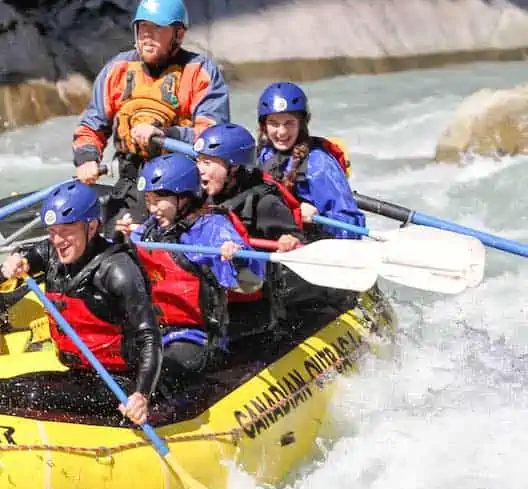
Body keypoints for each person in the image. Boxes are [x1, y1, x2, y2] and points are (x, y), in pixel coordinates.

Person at [0, 181, 161, 425]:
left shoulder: (119, 270)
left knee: (33, 396)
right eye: (52, 231)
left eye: (66, 231)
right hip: (78, 375)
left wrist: (141, 395)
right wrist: (8, 270)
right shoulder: (49, 253)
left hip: (118, 382)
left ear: (92, 227)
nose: (58, 240)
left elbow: (150, 336)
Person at [72, 0, 230, 228]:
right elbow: (92, 125)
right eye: (143, 27)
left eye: (157, 29)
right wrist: (87, 158)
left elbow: (213, 138)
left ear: (178, 34)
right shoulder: (118, 69)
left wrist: (165, 135)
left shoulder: (200, 72)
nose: (147, 35)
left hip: (181, 183)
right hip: (132, 179)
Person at [121, 154, 265, 389]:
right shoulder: (151, 228)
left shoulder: (211, 227)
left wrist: (234, 257)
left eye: (159, 200)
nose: (152, 208)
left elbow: (251, 283)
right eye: (148, 200)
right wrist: (127, 236)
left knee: (159, 374)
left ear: (184, 197)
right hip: (155, 330)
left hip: (197, 336)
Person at [194, 122, 309, 337]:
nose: (200, 169)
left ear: (234, 167)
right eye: (199, 161)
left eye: (208, 163)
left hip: (254, 308)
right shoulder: (201, 195)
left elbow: (297, 241)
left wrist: (289, 241)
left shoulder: (265, 203)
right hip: (211, 300)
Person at [255, 82, 365, 238]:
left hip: (308, 245)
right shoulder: (262, 154)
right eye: (274, 123)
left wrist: (318, 219)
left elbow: (351, 227)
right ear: (264, 126)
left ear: (301, 124)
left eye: (289, 123)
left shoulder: (318, 163)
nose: (282, 132)